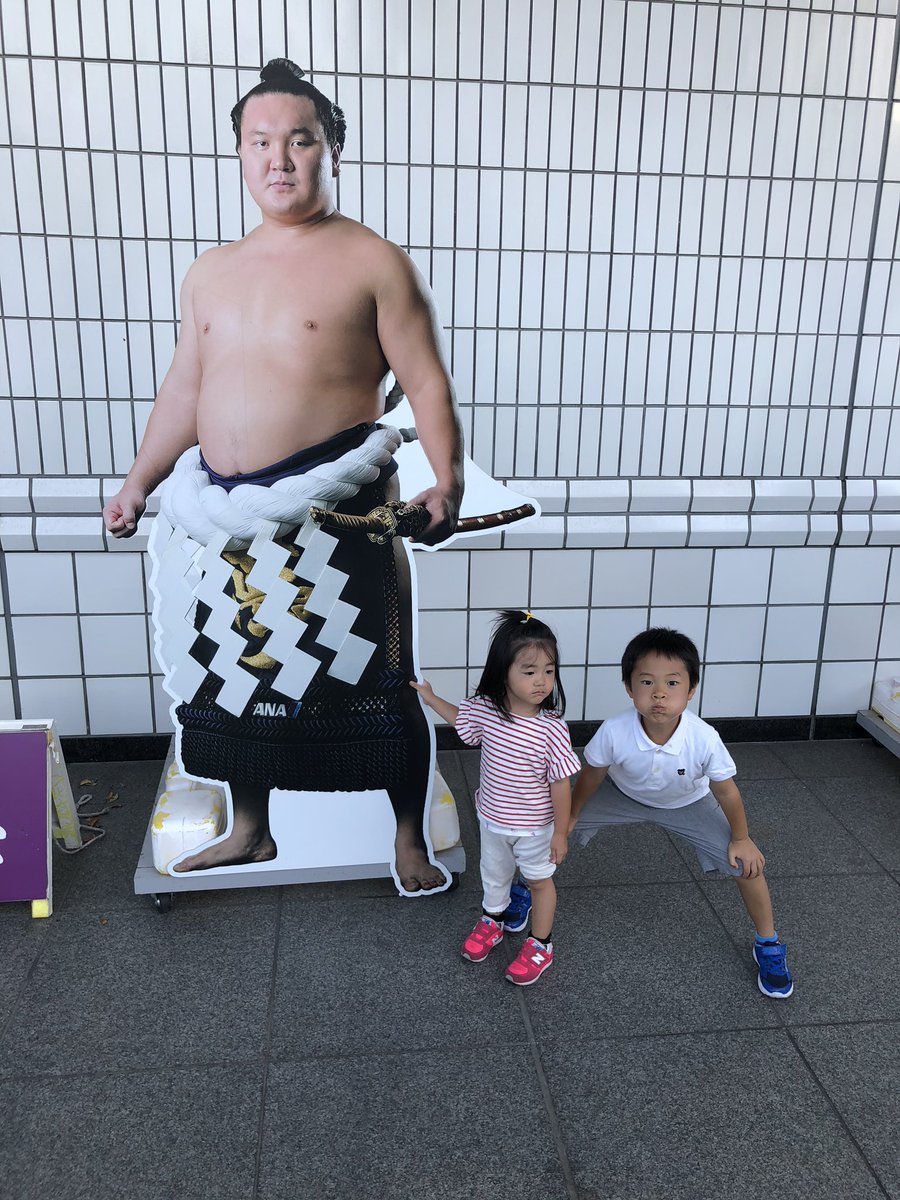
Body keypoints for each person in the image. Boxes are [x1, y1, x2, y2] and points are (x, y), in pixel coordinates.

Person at [102, 59, 464, 893]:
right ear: (239, 153)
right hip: (225, 519)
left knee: (373, 676)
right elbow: (185, 388)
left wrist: (447, 482)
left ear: (332, 148)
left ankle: (408, 838)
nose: (279, 158)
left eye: (299, 140)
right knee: (238, 670)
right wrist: (138, 481)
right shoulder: (210, 271)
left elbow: (428, 381)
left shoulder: (374, 261)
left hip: (338, 516)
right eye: (260, 141)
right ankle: (250, 829)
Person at [568, 627, 794, 999]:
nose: (659, 693)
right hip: (622, 794)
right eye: (647, 682)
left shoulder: (703, 737)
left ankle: (767, 943)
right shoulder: (614, 730)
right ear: (629, 688)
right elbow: (591, 776)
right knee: (545, 825)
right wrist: (572, 814)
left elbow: (726, 791)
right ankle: (527, 887)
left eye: (672, 683)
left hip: (687, 803)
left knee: (747, 865)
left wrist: (741, 838)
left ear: (691, 690)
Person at [412, 610, 581, 984]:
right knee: (494, 875)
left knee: (539, 882)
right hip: (492, 820)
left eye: (549, 670)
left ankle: (541, 944)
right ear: (503, 672)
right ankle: (493, 920)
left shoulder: (552, 729)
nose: (542, 681)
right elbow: (461, 720)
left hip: (535, 828)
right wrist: (431, 698)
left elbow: (561, 783)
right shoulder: (486, 711)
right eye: (530, 671)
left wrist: (560, 833)